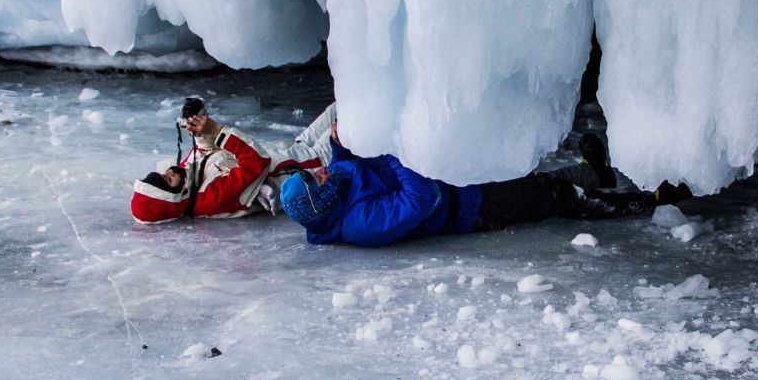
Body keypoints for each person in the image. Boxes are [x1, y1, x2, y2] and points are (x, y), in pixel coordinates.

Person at [279, 130, 691, 248]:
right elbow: (422, 198)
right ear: (320, 203)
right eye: (315, 180)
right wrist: (399, 148)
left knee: (537, 181)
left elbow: (347, 160)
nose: (322, 172)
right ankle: (649, 200)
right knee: (556, 198)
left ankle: (593, 172)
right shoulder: (357, 223)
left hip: (462, 180)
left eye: (313, 172)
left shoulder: (337, 183)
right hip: (471, 208)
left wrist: (344, 137)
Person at [130, 97, 337, 224]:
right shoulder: (210, 199)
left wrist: (198, 124)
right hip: (314, 162)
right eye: (168, 180)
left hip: (296, 149)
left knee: (345, 104)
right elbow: (256, 162)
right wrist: (216, 130)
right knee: (353, 117)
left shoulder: (186, 179)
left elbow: (204, 151)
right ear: (173, 198)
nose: (169, 172)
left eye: (162, 175)